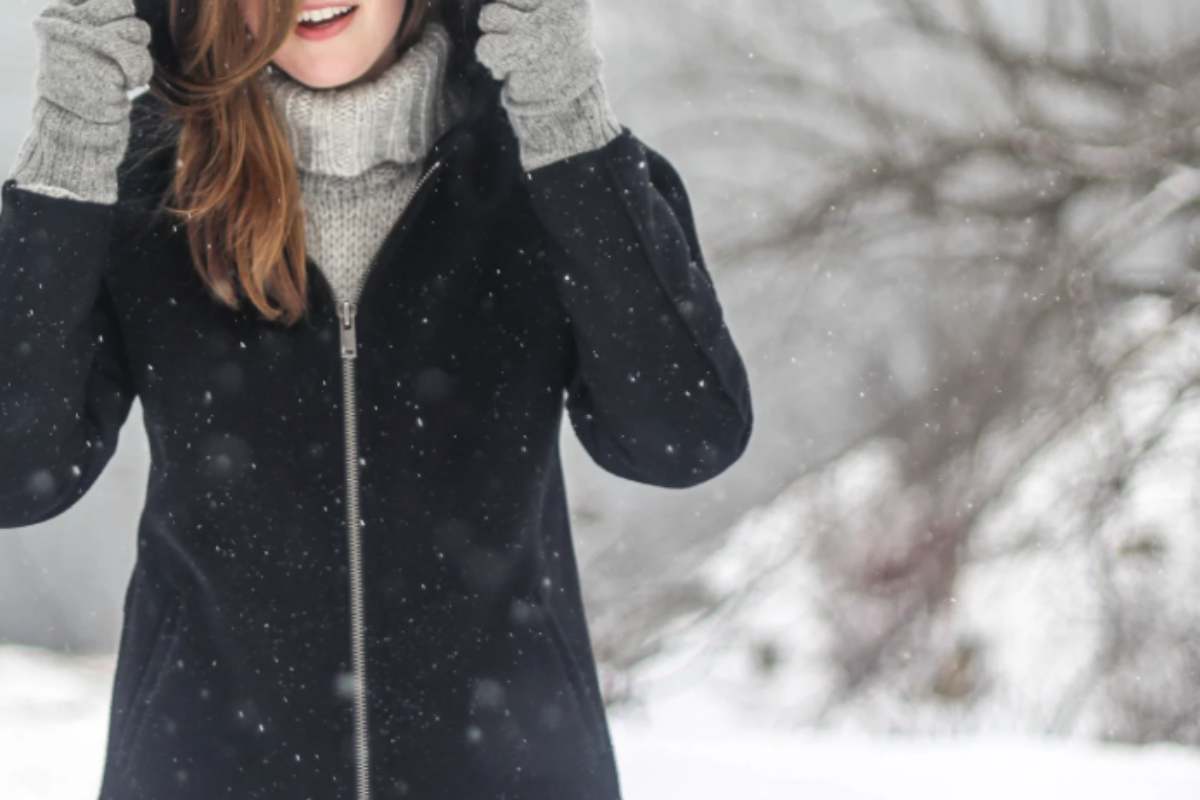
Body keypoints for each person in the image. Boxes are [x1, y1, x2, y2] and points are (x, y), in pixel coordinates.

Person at [0, 0, 754, 797]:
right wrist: (69, 142)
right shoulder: (152, 199)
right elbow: (18, 473)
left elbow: (684, 437)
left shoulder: (552, 174)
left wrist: (564, 113)